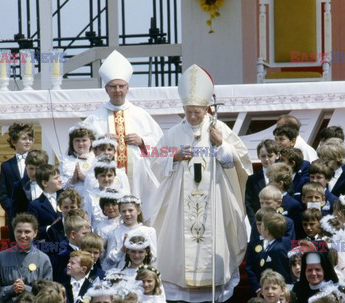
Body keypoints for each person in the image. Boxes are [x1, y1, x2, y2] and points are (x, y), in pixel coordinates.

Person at [150, 64, 252, 302]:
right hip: (179, 210)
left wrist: (221, 146)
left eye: (197, 111)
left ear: (207, 108)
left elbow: (241, 164)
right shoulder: (173, 134)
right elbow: (154, 163)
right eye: (189, 111)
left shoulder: (220, 130)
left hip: (215, 203)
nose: (193, 116)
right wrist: (172, 157)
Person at [82, 50, 163, 221]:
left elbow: (161, 145)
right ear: (106, 89)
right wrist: (100, 141)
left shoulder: (141, 114)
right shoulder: (94, 118)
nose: (117, 90)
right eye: (113, 86)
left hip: (137, 180)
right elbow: (81, 150)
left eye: (121, 86)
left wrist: (142, 141)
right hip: (105, 182)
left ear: (128, 87)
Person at [0, 213, 53, 302]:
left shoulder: (43, 259)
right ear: (14, 231)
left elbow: (48, 292)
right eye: (19, 231)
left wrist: (26, 288)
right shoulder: (2, 257)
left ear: (35, 233)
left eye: (27, 231)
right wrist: (11, 289)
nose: (22, 236)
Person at [0, 123, 35, 237]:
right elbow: (3, 194)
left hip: (35, 214)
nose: (28, 141)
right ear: (14, 142)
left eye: (30, 138)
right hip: (15, 216)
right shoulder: (6, 166)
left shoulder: (39, 162)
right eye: (24, 138)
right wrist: (13, 210)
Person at [245, 139, 279, 226]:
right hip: (260, 223)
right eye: (263, 156)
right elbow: (248, 203)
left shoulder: (283, 176)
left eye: (270, 156)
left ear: (277, 155)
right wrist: (255, 223)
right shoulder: (252, 179)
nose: (267, 159)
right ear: (258, 156)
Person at [59, 122, 97, 198]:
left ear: (91, 142)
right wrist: (72, 180)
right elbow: (61, 186)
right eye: (77, 140)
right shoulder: (65, 160)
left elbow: (102, 183)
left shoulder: (96, 159)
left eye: (84, 140)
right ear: (72, 143)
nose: (80, 143)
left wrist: (84, 178)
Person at [27, 164, 63, 240]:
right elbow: (33, 230)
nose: (60, 180)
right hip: (49, 245)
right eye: (56, 178)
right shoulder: (35, 205)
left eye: (59, 177)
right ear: (45, 183)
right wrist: (50, 227)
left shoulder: (65, 198)